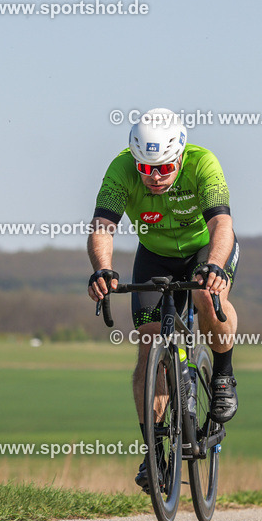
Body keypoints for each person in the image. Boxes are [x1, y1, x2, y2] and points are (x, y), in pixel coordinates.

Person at [86, 107, 240, 491]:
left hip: (206, 249)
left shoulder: (203, 164)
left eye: (164, 169)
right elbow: (102, 226)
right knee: (150, 344)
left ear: (180, 155)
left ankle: (222, 374)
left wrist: (216, 266)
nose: (154, 178)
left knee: (207, 294)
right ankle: (155, 451)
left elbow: (222, 224)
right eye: (145, 169)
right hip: (155, 254)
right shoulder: (121, 169)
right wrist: (103, 269)